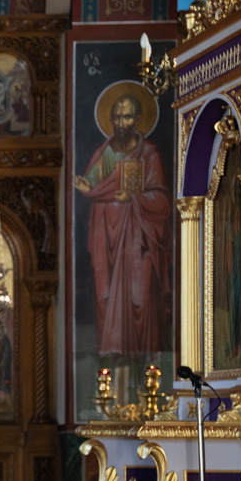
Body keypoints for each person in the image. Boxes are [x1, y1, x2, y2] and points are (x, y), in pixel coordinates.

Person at [74, 92, 173, 363]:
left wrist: (135, 198)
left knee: (140, 297)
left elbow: (162, 201)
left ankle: (147, 362)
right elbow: (93, 184)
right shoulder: (104, 153)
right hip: (105, 235)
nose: (121, 123)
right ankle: (112, 356)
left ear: (138, 119)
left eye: (127, 117)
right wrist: (86, 187)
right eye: (117, 117)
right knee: (105, 295)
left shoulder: (148, 154)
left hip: (138, 239)